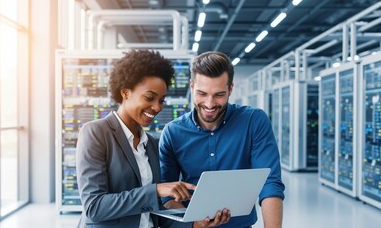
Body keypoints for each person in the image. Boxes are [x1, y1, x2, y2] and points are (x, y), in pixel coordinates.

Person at [76, 49, 230, 228]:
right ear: (125, 92)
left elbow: (153, 212)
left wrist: (194, 224)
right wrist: (155, 190)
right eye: (149, 98)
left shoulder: (151, 144)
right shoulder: (96, 133)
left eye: (161, 100)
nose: (157, 107)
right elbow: (95, 207)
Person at [159, 51, 285, 228]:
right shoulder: (173, 132)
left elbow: (270, 183)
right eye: (202, 94)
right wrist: (194, 224)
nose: (209, 104)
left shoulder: (254, 121)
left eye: (219, 94)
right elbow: (167, 195)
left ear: (230, 89)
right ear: (191, 86)